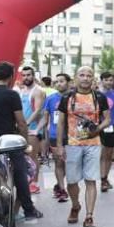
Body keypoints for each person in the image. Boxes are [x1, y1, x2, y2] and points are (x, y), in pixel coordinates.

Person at [0, 62, 43, 220]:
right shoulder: (11, 94)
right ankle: (28, 209)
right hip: (9, 142)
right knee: (22, 173)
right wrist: (25, 143)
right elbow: (21, 122)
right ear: (11, 76)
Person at [57, 66, 110, 227]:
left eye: (89, 75)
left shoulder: (99, 97)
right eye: (82, 75)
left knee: (91, 179)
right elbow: (60, 122)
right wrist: (59, 145)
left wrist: (97, 129)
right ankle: (75, 205)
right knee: (72, 181)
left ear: (93, 79)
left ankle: (89, 216)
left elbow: (108, 119)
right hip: (72, 144)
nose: (85, 78)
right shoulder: (67, 97)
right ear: (75, 78)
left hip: (93, 144)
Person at [15, 65, 46, 194]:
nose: (26, 77)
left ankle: (34, 182)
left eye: (29, 75)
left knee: (33, 157)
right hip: (21, 128)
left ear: (33, 76)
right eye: (24, 75)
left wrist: (26, 124)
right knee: (24, 158)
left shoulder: (38, 90)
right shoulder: (21, 91)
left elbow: (38, 110)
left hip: (33, 129)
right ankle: (27, 181)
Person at [44, 73, 71, 203]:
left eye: (62, 81)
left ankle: (58, 184)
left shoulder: (74, 97)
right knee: (59, 162)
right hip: (55, 135)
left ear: (68, 83)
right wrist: (37, 131)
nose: (59, 83)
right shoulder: (50, 99)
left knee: (68, 163)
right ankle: (62, 189)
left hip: (72, 135)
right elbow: (45, 119)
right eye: (57, 81)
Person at [98, 72, 114, 192]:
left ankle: (104, 178)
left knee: (108, 155)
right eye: (106, 80)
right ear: (102, 80)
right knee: (101, 155)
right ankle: (101, 178)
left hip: (111, 127)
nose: (109, 82)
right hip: (97, 128)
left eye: (111, 80)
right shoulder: (95, 94)